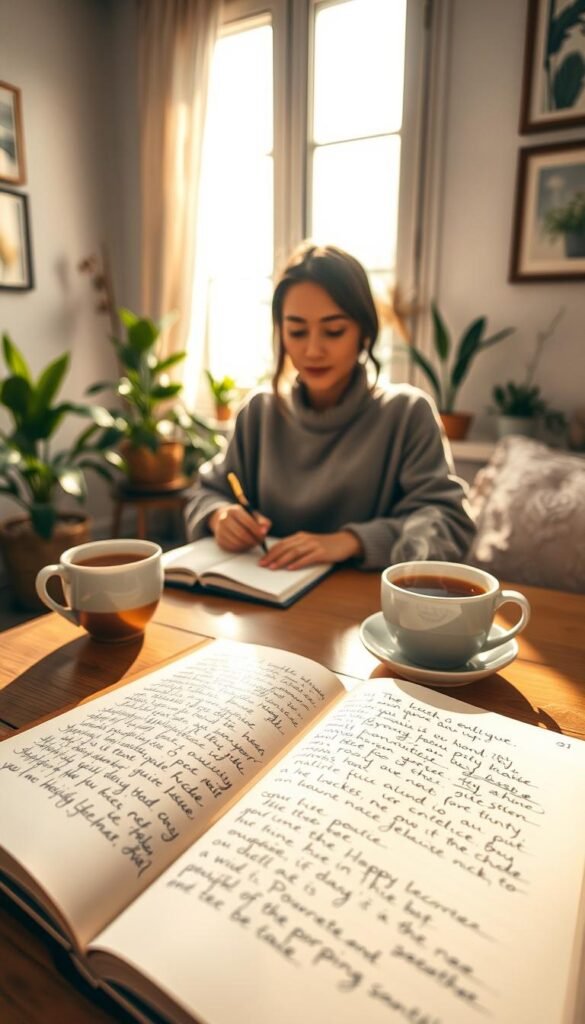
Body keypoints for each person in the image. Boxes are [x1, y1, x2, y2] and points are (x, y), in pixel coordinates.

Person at [185, 241, 476, 571]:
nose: (312, 350)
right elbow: (205, 493)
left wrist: (352, 541)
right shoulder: (258, 413)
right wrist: (219, 516)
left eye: (333, 331)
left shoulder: (407, 413)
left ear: (364, 332)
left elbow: (449, 521)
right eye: (296, 331)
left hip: (367, 611)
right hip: (265, 601)